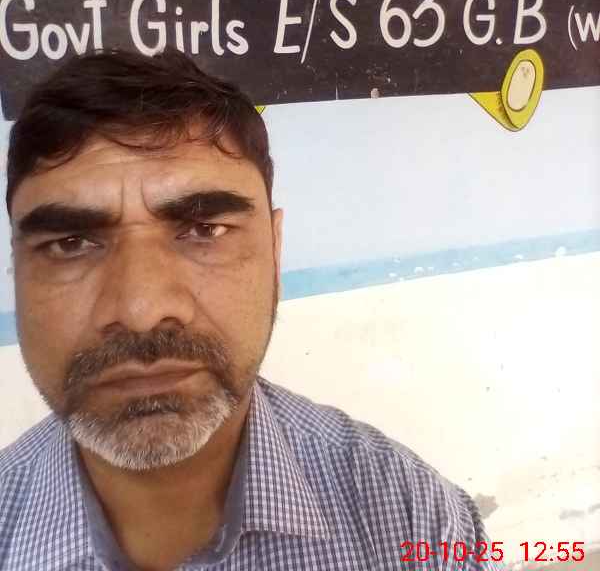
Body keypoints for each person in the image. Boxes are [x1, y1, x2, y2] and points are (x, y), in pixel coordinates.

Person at [0, 49, 500, 571]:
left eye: (205, 230)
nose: (141, 310)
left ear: (275, 252)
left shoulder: (416, 520)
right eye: (71, 243)